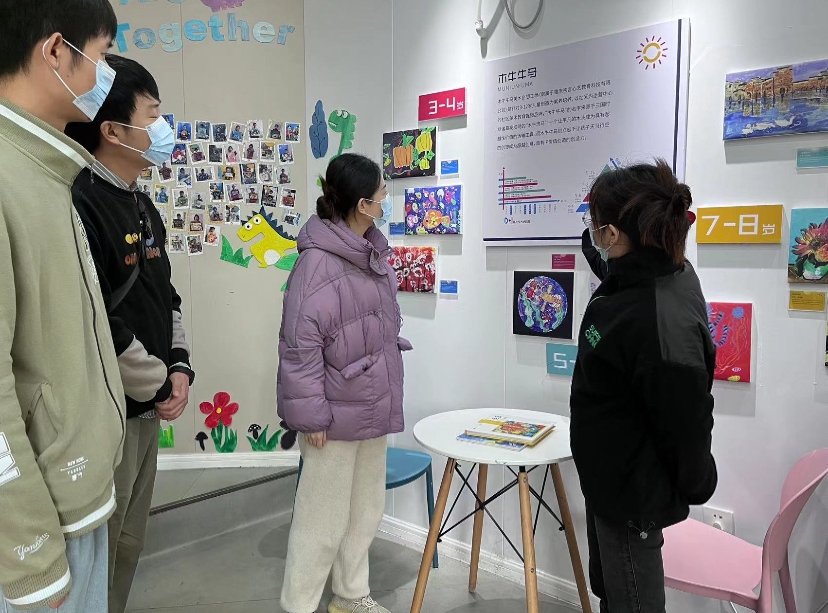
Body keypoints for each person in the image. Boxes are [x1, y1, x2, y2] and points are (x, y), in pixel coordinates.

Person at [0, 2, 126, 611]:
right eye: (101, 56)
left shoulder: (46, 169)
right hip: (40, 528)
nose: (106, 76)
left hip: (73, 502)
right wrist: (32, 557)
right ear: (55, 51)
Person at [65, 55, 195, 613]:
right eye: (153, 115)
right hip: (108, 413)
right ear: (113, 130)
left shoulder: (142, 203)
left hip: (148, 408)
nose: (163, 129)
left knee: (131, 541)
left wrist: (181, 367)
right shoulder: (79, 201)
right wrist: (159, 383)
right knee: (100, 544)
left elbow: (166, 296)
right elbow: (96, 318)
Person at [571, 159, 717, 613]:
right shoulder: (660, 270)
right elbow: (624, 293)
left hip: (632, 496)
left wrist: (698, 482)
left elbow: (686, 419)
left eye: (596, 226)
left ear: (615, 234)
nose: (593, 234)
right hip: (609, 481)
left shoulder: (660, 317)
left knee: (635, 604)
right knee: (612, 595)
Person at [278, 153, 409, 613]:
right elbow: (299, 346)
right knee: (320, 521)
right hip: (333, 414)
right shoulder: (316, 264)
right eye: (381, 194)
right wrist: (311, 417)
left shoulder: (371, 253)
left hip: (372, 401)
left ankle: (351, 595)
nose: (386, 200)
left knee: (364, 511)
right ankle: (298, 605)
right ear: (361, 204)